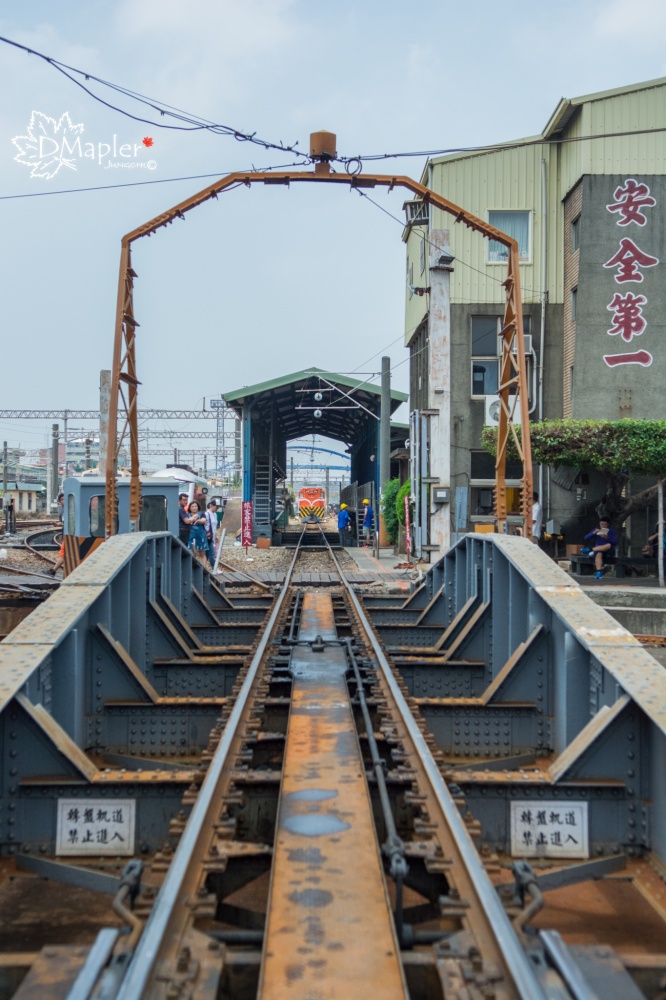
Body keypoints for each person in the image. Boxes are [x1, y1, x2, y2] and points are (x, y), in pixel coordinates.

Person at [185, 500, 210, 569]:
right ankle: (190, 568)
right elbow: (186, 522)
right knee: (189, 551)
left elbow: (203, 520)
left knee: (202, 552)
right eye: (192, 506)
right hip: (190, 534)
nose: (194, 508)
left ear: (198, 507)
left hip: (200, 534)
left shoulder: (201, 514)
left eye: (195, 506)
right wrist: (191, 520)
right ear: (189, 508)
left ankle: (203, 569)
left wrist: (197, 520)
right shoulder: (187, 515)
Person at [205, 500, 219, 567]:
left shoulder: (215, 514)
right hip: (207, 537)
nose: (217, 508)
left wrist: (215, 535)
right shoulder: (206, 514)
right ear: (211, 505)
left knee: (207, 554)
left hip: (212, 537)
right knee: (212, 553)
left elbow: (214, 526)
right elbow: (205, 525)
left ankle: (202, 569)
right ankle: (214, 568)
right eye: (216, 506)